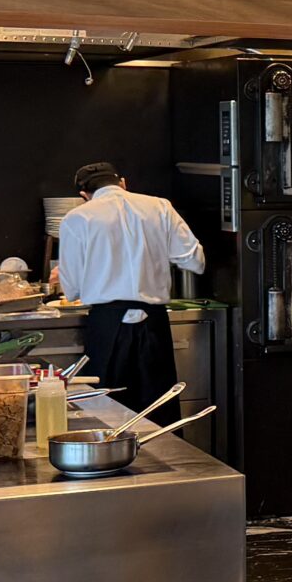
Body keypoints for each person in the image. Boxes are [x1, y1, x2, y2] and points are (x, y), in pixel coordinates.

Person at [56, 162, 205, 408]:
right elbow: (195, 261)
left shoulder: (77, 218)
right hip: (154, 322)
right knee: (159, 408)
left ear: (84, 195)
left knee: (107, 410)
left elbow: (71, 290)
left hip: (107, 324)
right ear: (122, 183)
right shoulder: (160, 207)